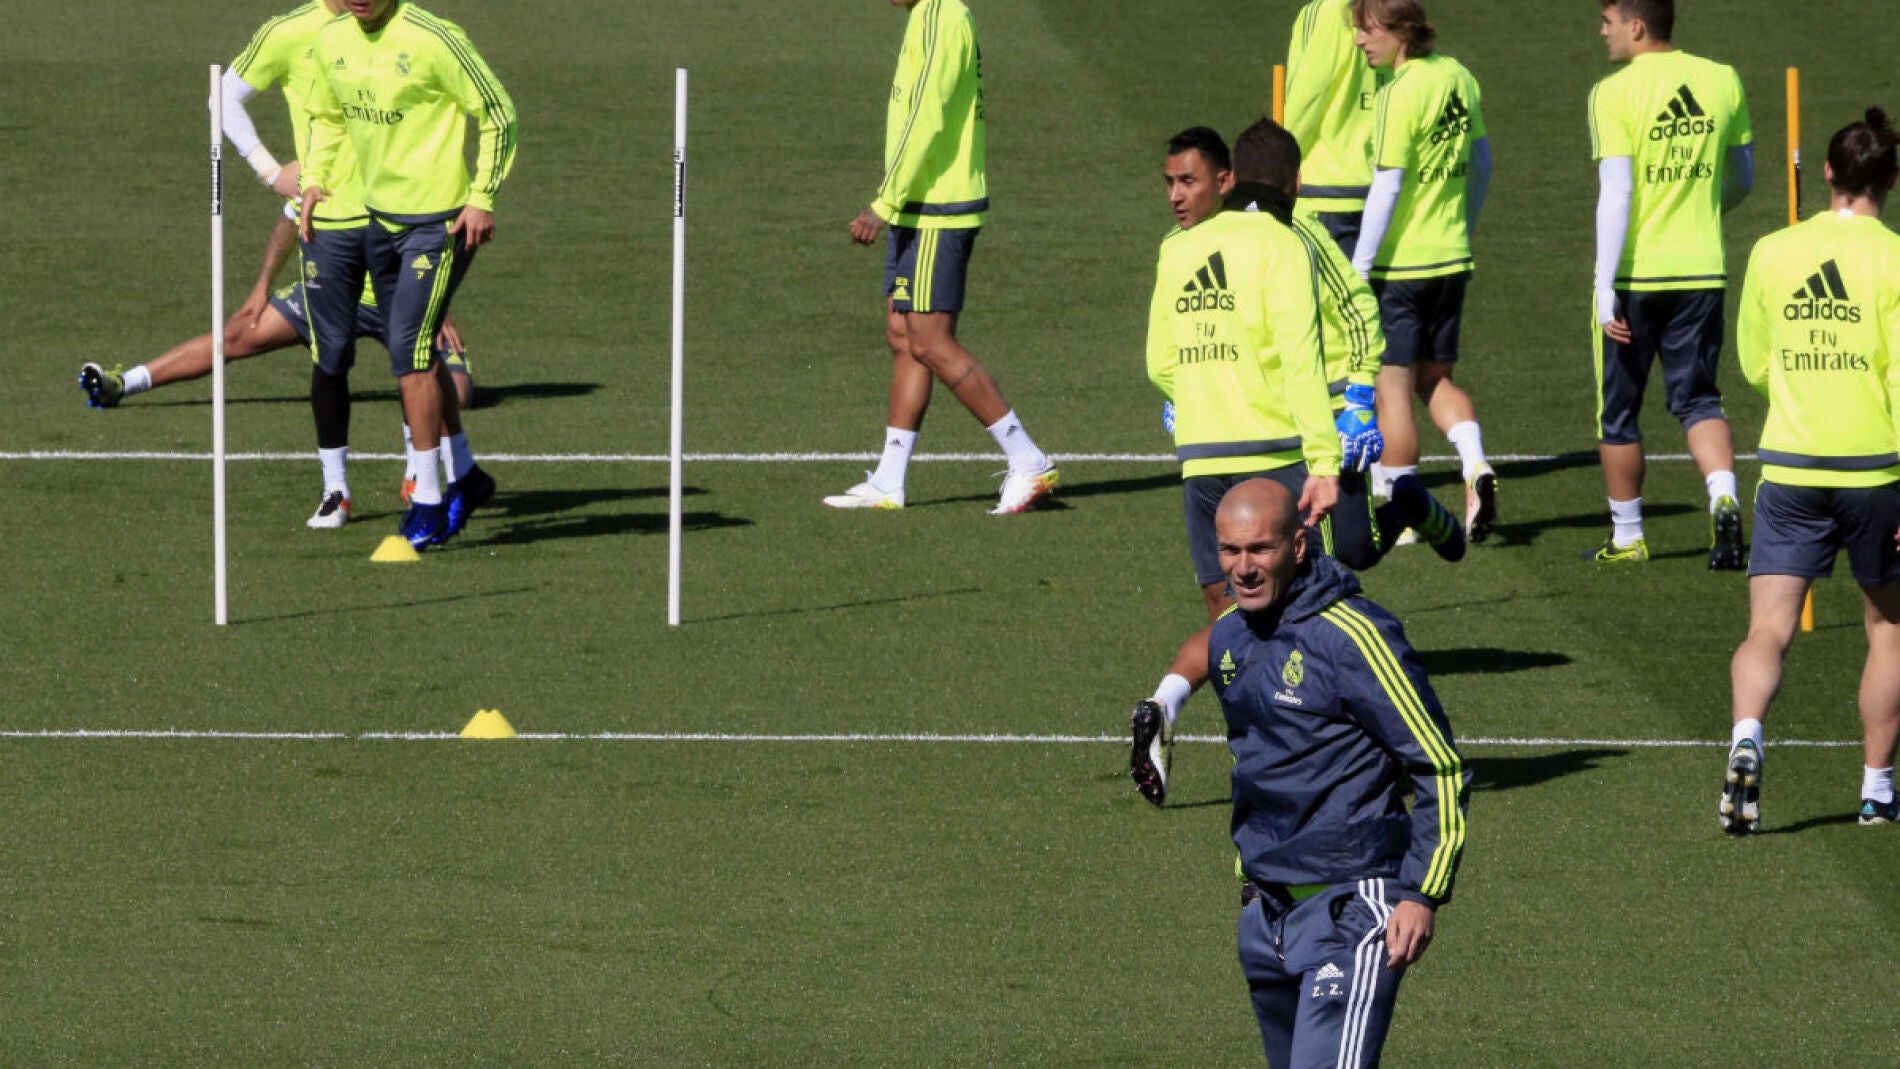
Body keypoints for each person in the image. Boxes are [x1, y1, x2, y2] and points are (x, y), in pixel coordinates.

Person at [1130, 121, 1465, 807]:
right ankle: (1366, 745)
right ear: (1291, 182)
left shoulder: (1178, 251)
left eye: (1184, 181)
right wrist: (1327, 445)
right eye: (1170, 183)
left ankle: (1204, 721)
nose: (1174, 197)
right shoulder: (1287, 240)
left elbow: (1159, 361)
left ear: (1228, 180)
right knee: (1326, 588)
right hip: (1288, 448)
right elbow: (1300, 356)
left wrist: (1188, 399)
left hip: (1203, 461)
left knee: (1239, 610)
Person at [1205, 477, 1469, 1066]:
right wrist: (1250, 885)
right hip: (1268, 915)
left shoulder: (1355, 636)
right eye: (1230, 550)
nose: (1243, 568)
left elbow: (1439, 764)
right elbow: (1250, 762)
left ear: (1299, 547)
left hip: (1353, 908)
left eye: (1260, 550)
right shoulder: (1227, 639)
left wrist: (1423, 893)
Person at [1723, 109, 1900, 834]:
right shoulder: (1895, 258)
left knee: (1767, 628)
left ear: (1827, 174)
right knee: (1888, 628)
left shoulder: (1772, 249)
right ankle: (1877, 788)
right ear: (1889, 180)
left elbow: (1754, 362)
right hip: (1875, 470)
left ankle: (1746, 736)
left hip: (1791, 463)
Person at [825, 0, 1059, 515]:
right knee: (904, 337)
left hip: (935, 208)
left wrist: (883, 202)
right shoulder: (929, 14)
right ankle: (890, 478)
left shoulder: (940, 13)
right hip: (919, 205)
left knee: (930, 340)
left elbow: (926, 116)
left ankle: (1027, 458)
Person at [301, 0, 516, 547]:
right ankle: (467, 475)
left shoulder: (432, 38)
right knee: (418, 347)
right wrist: (314, 180)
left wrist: (481, 197)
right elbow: (327, 117)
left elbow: (499, 112)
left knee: (407, 348)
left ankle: (427, 499)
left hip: (441, 224)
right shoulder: (332, 42)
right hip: (381, 220)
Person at [1588, 0, 1753, 566]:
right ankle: (1724, 495)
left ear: (1636, 26)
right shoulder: (1723, 79)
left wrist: (1601, 285)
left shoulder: (1613, 93)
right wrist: (1699, 208)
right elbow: (1741, 177)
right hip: (1703, 267)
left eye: (1607, 22)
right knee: (1700, 399)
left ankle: (1629, 537)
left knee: (1619, 410)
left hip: (1636, 276)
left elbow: (1618, 192)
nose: (1601, 32)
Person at [1350, 0, 1500, 543]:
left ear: (1399, 32)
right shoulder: (1459, 76)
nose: (1360, 42)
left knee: (1391, 389)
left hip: (1403, 266)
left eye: (1367, 31)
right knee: (1435, 379)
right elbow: (1481, 163)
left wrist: (1358, 269)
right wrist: (1463, 227)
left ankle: (1402, 511)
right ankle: (1475, 463)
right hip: (1452, 258)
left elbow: (1387, 185)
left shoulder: (1396, 94)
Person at [77, 213, 476, 417]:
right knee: (235, 335)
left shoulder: (401, 166)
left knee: (457, 395)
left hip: (399, 298)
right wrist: (262, 283)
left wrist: (438, 304)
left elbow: (441, 236)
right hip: (332, 290)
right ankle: (122, 383)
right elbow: (290, 217)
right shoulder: (325, 151)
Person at [1283, 0, 1387, 259]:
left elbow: (1307, 98)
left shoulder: (1326, 11)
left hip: (1322, 194)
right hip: (1378, 191)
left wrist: (1273, 169)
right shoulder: (1387, 8)